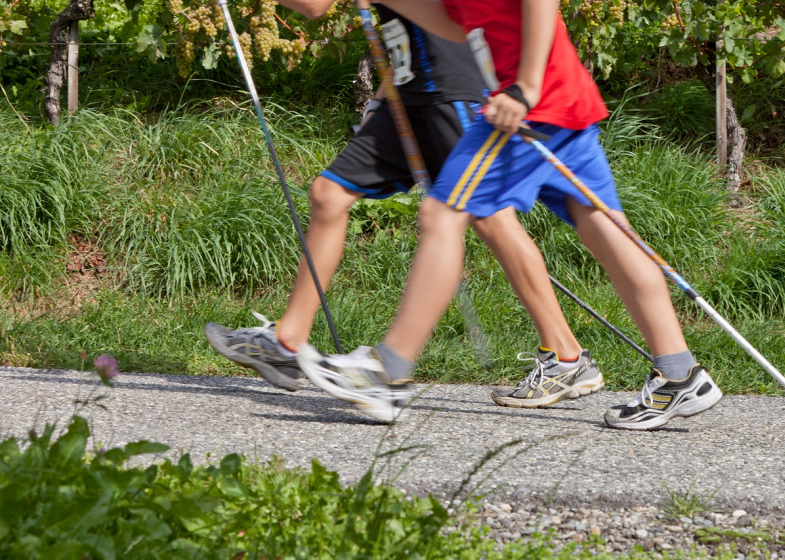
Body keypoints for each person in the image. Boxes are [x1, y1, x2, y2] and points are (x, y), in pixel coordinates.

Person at [298, 0, 723, 430]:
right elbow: (454, 24)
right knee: (607, 230)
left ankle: (386, 371)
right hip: (564, 99)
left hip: (530, 108)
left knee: (443, 216)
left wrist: (526, 86)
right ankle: (679, 373)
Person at [205, 2, 606, 419]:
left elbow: (313, 5)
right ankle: (287, 342)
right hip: (408, 92)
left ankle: (565, 357)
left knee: (491, 219)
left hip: (454, 86)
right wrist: (382, 95)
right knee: (329, 194)